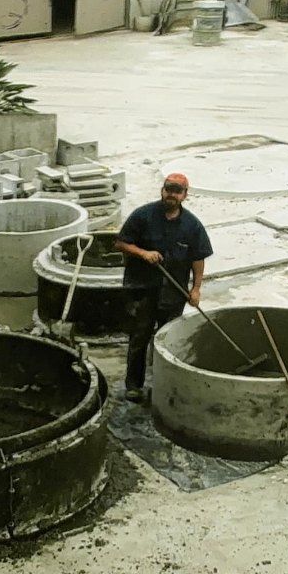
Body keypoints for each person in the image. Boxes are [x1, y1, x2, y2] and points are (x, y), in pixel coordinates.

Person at [115, 172, 213, 402]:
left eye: (177, 190)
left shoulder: (192, 225)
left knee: (167, 340)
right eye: (168, 188)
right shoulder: (143, 215)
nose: (172, 194)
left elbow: (198, 259)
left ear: (185, 195)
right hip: (142, 289)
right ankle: (134, 386)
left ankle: (162, 385)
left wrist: (196, 289)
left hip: (173, 292)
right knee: (139, 337)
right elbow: (120, 242)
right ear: (162, 190)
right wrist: (143, 253)